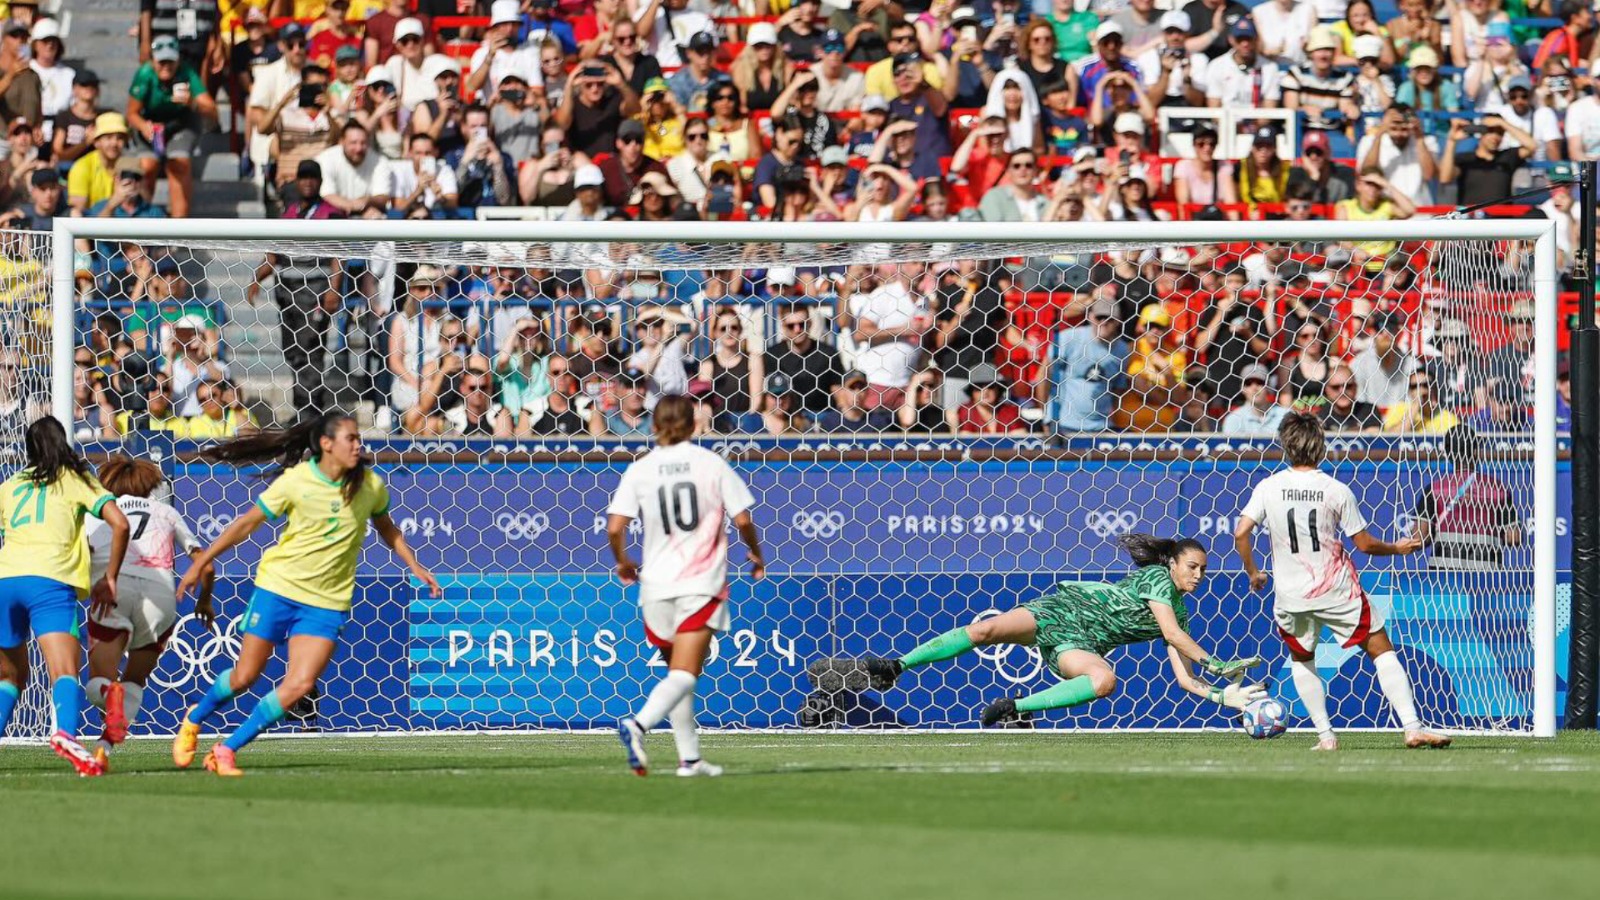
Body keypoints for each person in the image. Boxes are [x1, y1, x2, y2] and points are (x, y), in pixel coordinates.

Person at [171, 413, 441, 776]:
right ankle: (195, 718)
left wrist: (414, 564)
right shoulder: (296, 482)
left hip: (328, 602)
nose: (358, 444)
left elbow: (387, 528)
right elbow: (246, 524)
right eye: (351, 438)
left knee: (300, 685)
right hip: (279, 588)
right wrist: (200, 562)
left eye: (359, 437)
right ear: (327, 444)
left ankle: (226, 749)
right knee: (245, 677)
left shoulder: (371, 486)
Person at [808, 533, 1265, 726]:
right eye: (1192, 566)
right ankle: (893, 667)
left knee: (1104, 680)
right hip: (1058, 611)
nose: (1199, 575)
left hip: (1078, 642)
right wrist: (1219, 663)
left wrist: (1225, 696)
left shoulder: (1179, 613)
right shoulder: (1156, 579)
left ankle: (1014, 708)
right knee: (986, 631)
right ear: (1171, 562)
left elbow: (1184, 677)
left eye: (1204, 570)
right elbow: (1173, 636)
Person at [1234, 412, 1452, 751]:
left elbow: (1241, 532)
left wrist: (1253, 571)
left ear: (1286, 447)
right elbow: (1364, 545)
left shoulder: (1268, 487)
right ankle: (1412, 727)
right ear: (1320, 447)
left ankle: (1326, 737)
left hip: (1292, 595)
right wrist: (1397, 547)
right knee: (1380, 649)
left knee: (1302, 659)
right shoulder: (1335, 489)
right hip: (1337, 588)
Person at [608, 395, 762, 777]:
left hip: (655, 587)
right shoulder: (711, 464)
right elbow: (742, 519)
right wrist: (756, 554)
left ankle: (689, 759)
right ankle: (638, 724)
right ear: (694, 425)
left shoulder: (641, 469)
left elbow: (615, 527)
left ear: (654, 426)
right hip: (698, 584)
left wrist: (623, 562)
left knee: (677, 674)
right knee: (686, 674)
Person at [0, 417, 130, 775]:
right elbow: (120, 523)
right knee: (64, 671)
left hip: (6, 580)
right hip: (50, 581)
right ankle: (66, 735)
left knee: (9, 677)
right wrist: (110, 578)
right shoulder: (75, 479)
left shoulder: (10, 485)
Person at [81, 455, 214, 770]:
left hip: (114, 592)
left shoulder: (98, 513)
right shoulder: (167, 512)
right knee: (134, 683)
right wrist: (204, 601)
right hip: (161, 598)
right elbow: (205, 565)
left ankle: (107, 695)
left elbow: (79, 554)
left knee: (99, 682)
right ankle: (103, 751)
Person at [1412, 423, 1522, 570]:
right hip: (1486, 575)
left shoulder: (1434, 489)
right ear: (1475, 452)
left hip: (1443, 576)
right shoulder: (1497, 488)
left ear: (1448, 453)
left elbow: (1419, 539)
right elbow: (1513, 538)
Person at [1439, 114, 1535, 207]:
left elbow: (1532, 146)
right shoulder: (1466, 159)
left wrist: (1503, 123)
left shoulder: (1507, 157)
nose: (1495, 137)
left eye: (1500, 133)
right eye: (1490, 131)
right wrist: (1451, 141)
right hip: (1472, 220)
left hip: (1503, 219)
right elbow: (1444, 178)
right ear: (1480, 132)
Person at [1383, 369, 1460, 434]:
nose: (1420, 390)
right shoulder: (1398, 409)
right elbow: (1390, 438)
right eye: (1414, 386)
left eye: (1425, 385)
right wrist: (1416, 405)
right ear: (1409, 391)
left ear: (1434, 389)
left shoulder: (1448, 418)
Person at [1222, 364, 1289, 435]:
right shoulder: (1234, 419)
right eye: (1248, 383)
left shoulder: (1284, 416)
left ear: (1268, 387)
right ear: (1242, 388)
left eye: (1260, 383)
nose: (1254, 388)